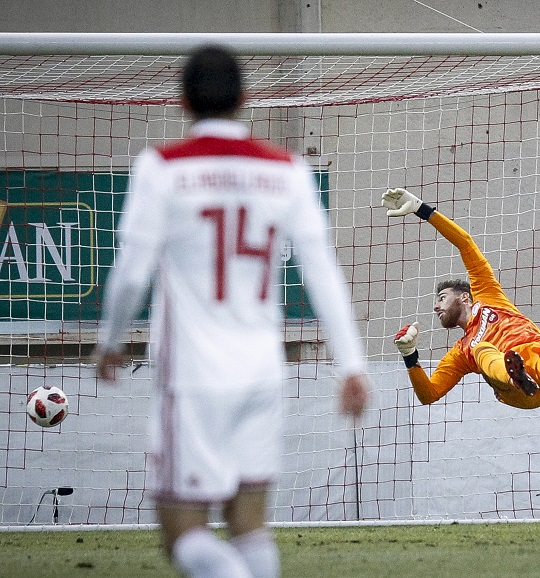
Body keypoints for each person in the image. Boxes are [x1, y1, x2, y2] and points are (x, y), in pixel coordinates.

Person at [92, 45, 369, 578]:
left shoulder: (162, 167)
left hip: (192, 377)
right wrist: (351, 365)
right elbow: (322, 271)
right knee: (249, 528)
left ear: (181, 101)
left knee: (183, 533)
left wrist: (110, 341)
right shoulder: (287, 170)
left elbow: (131, 272)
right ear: (246, 99)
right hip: (262, 374)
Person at [381, 187, 540, 463]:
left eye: (442, 298)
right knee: (483, 349)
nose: (436, 306)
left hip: (536, 369)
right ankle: (513, 375)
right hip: (515, 391)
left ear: (465, 297)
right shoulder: (461, 350)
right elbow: (428, 395)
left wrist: (422, 210)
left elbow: (465, 243)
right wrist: (409, 356)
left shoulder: (488, 292)